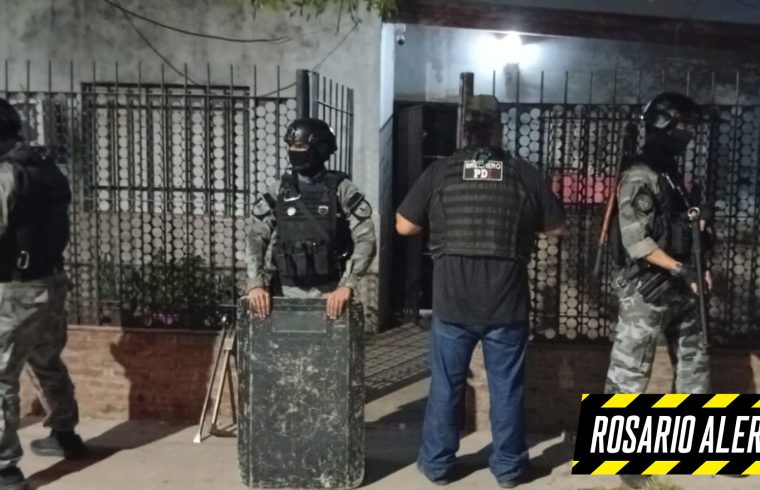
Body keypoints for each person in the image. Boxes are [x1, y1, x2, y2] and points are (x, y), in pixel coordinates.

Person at [396, 95, 566, 488]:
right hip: (506, 304)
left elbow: (404, 225)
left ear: (464, 129)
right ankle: (507, 469)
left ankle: (437, 466)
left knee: (446, 387)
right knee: (506, 388)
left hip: (452, 302)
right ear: (499, 130)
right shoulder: (523, 173)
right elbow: (558, 228)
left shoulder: (441, 172)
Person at [605, 92, 710, 489]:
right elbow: (638, 243)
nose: (689, 133)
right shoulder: (639, 176)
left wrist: (699, 261)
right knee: (630, 372)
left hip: (681, 286)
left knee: (695, 365)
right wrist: (683, 269)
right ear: (663, 125)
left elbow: (681, 227)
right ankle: (623, 461)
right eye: (684, 126)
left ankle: (704, 449)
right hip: (646, 290)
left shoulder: (669, 174)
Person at [0, 98, 86, 490]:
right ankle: (65, 433)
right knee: (46, 359)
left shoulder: (7, 174)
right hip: (50, 281)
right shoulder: (44, 166)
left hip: (15, 289)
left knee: (2, 377)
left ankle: (5, 469)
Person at [245, 118, 376, 319]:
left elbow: (366, 239)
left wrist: (347, 285)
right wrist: (255, 283)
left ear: (319, 148)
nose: (292, 151)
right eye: (289, 146)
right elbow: (255, 236)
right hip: (282, 297)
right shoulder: (279, 190)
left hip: (331, 297)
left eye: (299, 146)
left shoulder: (342, 190)